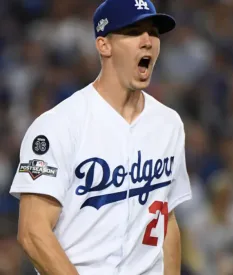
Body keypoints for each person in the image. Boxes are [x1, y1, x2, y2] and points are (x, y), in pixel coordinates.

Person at [9, 0, 192, 274]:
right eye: (133, 32)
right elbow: (32, 233)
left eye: (153, 32)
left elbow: (167, 220)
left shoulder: (169, 124)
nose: (147, 41)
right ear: (104, 45)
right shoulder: (58, 125)